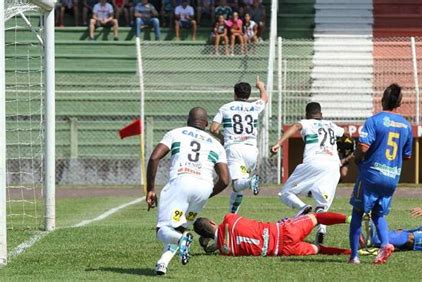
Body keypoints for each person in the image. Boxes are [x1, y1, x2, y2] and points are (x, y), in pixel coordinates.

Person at [146, 107, 230, 275]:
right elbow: (225, 180)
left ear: (188, 120)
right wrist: (207, 194)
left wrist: (150, 189)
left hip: (181, 182)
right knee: (178, 228)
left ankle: (182, 239)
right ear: (206, 124)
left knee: (163, 230)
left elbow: (155, 157)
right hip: (204, 187)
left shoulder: (176, 133)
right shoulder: (216, 144)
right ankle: (162, 263)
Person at [348, 83, 413, 264]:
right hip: (391, 177)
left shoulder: (374, 120)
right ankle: (385, 245)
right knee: (378, 214)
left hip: (371, 175)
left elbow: (363, 146)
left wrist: (357, 158)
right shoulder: (406, 125)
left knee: (357, 213)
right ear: (399, 103)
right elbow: (406, 155)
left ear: (382, 99)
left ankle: (354, 256)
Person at [271, 102, 345, 245]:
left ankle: (302, 207)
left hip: (314, 162)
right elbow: (345, 135)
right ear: (321, 115)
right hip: (333, 166)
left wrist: (279, 143)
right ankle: (322, 229)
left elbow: (296, 126)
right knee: (322, 201)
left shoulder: (306, 122)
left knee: (286, 193)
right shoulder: (331, 125)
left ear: (306, 114)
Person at [210, 77, 268, 214]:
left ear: (234, 94)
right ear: (248, 95)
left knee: (237, 184)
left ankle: (251, 181)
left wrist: (222, 138)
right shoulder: (254, 106)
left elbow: (213, 129)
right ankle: (232, 214)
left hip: (234, 149)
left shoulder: (226, 108)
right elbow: (265, 98)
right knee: (239, 187)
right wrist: (261, 86)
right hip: (251, 150)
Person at [194, 212, 351, 257]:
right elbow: (227, 227)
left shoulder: (225, 251)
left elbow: (222, 241)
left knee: (319, 249)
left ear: (206, 237)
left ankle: (353, 253)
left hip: (283, 250)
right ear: (213, 222)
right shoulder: (229, 219)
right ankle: (350, 219)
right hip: (283, 230)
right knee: (316, 217)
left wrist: (212, 245)